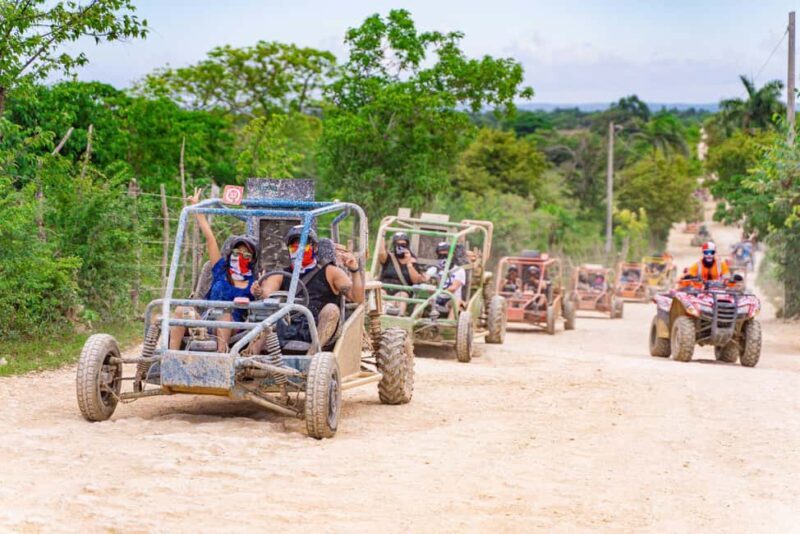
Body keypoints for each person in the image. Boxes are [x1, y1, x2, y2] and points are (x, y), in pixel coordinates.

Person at [170, 188, 259, 351]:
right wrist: (197, 209)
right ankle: (170, 356)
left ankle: (220, 358)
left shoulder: (252, 283)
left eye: (246, 255)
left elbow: (258, 307)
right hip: (205, 321)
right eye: (237, 252)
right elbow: (210, 239)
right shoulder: (221, 270)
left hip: (231, 327)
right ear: (231, 253)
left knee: (224, 316)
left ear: (252, 260)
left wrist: (258, 293)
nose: (240, 257)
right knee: (181, 309)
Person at [256, 225, 364, 349]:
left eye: (304, 245)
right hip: (288, 325)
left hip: (318, 328)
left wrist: (355, 270)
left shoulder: (330, 272)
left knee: (331, 309)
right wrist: (259, 291)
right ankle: (248, 359)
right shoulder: (281, 273)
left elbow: (357, 298)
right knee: (266, 310)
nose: (299, 250)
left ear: (315, 247)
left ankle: (312, 355)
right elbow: (267, 292)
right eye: (294, 246)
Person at [377, 232, 427, 313]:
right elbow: (381, 253)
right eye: (398, 244)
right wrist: (383, 234)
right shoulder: (389, 257)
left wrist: (409, 264)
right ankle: (378, 318)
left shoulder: (412, 260)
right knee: (380, 293)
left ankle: (399, 319)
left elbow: (416, 280)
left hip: (401, 290)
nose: (400, 247)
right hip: (385, 288)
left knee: (402, 296)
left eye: (403, 245)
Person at [426, 241, 466, 313]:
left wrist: (436, 290)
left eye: (446, 256)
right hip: (435, 299)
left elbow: (454, 288)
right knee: (420, 301)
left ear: (452, 255)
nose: (444, 258)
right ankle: (410, 321)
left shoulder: (459, 270)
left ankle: (450, 322)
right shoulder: (433, 269)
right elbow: (425, 279)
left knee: (455, 303)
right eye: (441, 256)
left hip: (451, 299)